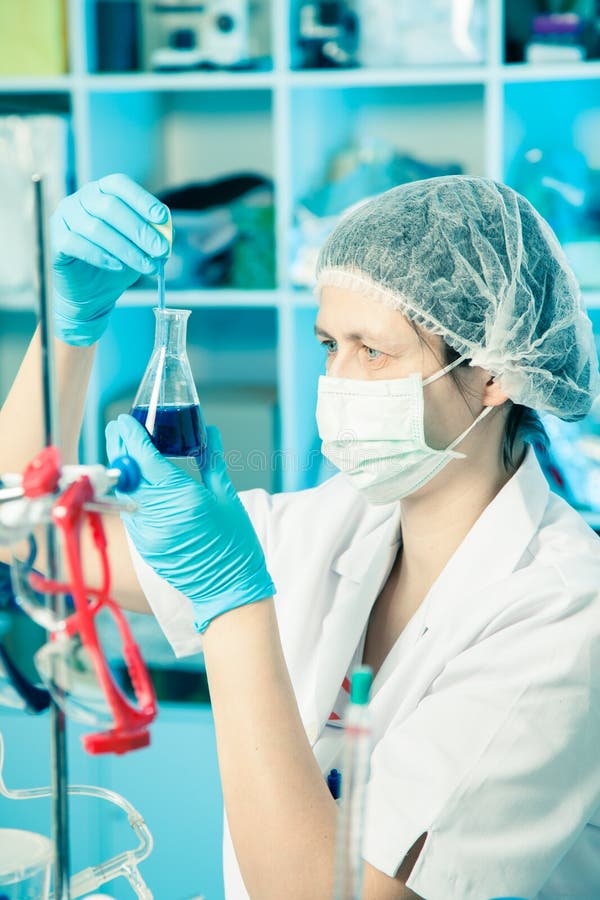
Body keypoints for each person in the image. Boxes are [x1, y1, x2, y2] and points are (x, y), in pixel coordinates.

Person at [1, 173, 600, 900]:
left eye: (371, 351)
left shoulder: (566, 618)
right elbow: (28, 534)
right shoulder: (335, 522)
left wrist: (231, 602)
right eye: (328, 345)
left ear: (494, 373)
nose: (336, 381)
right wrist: (67, 332)